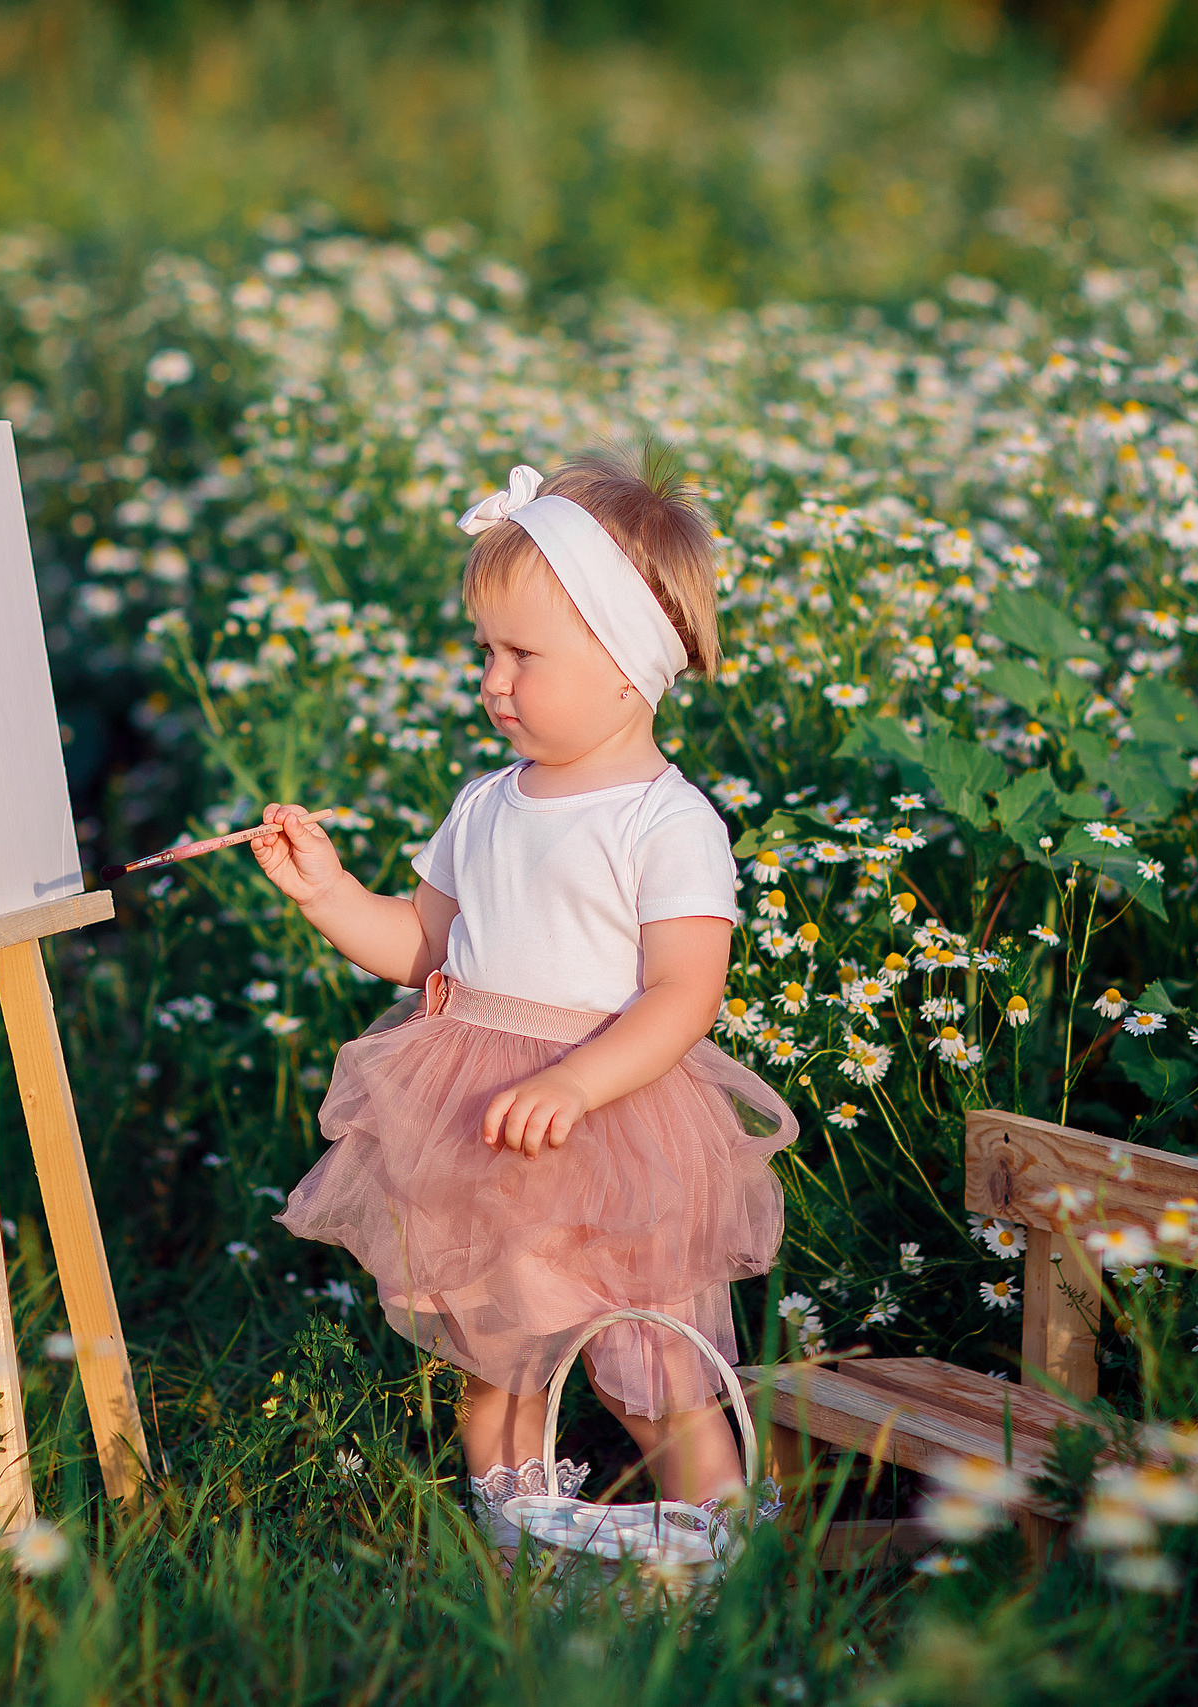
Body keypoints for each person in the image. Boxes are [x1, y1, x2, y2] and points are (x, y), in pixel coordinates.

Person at [247, 448, 794, 1549]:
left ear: (626, 665)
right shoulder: (486, 803)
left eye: (522, 656)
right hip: (475, 1112)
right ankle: (524, 1536)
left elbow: (683, 994)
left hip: (608, 1112)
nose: (492, 681)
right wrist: (329, 894)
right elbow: (422, 946)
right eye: (485, 652)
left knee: (652, 1370)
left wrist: (577, 1082)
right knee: (498, 1357)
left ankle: (722, 1544)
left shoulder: (664, 822)